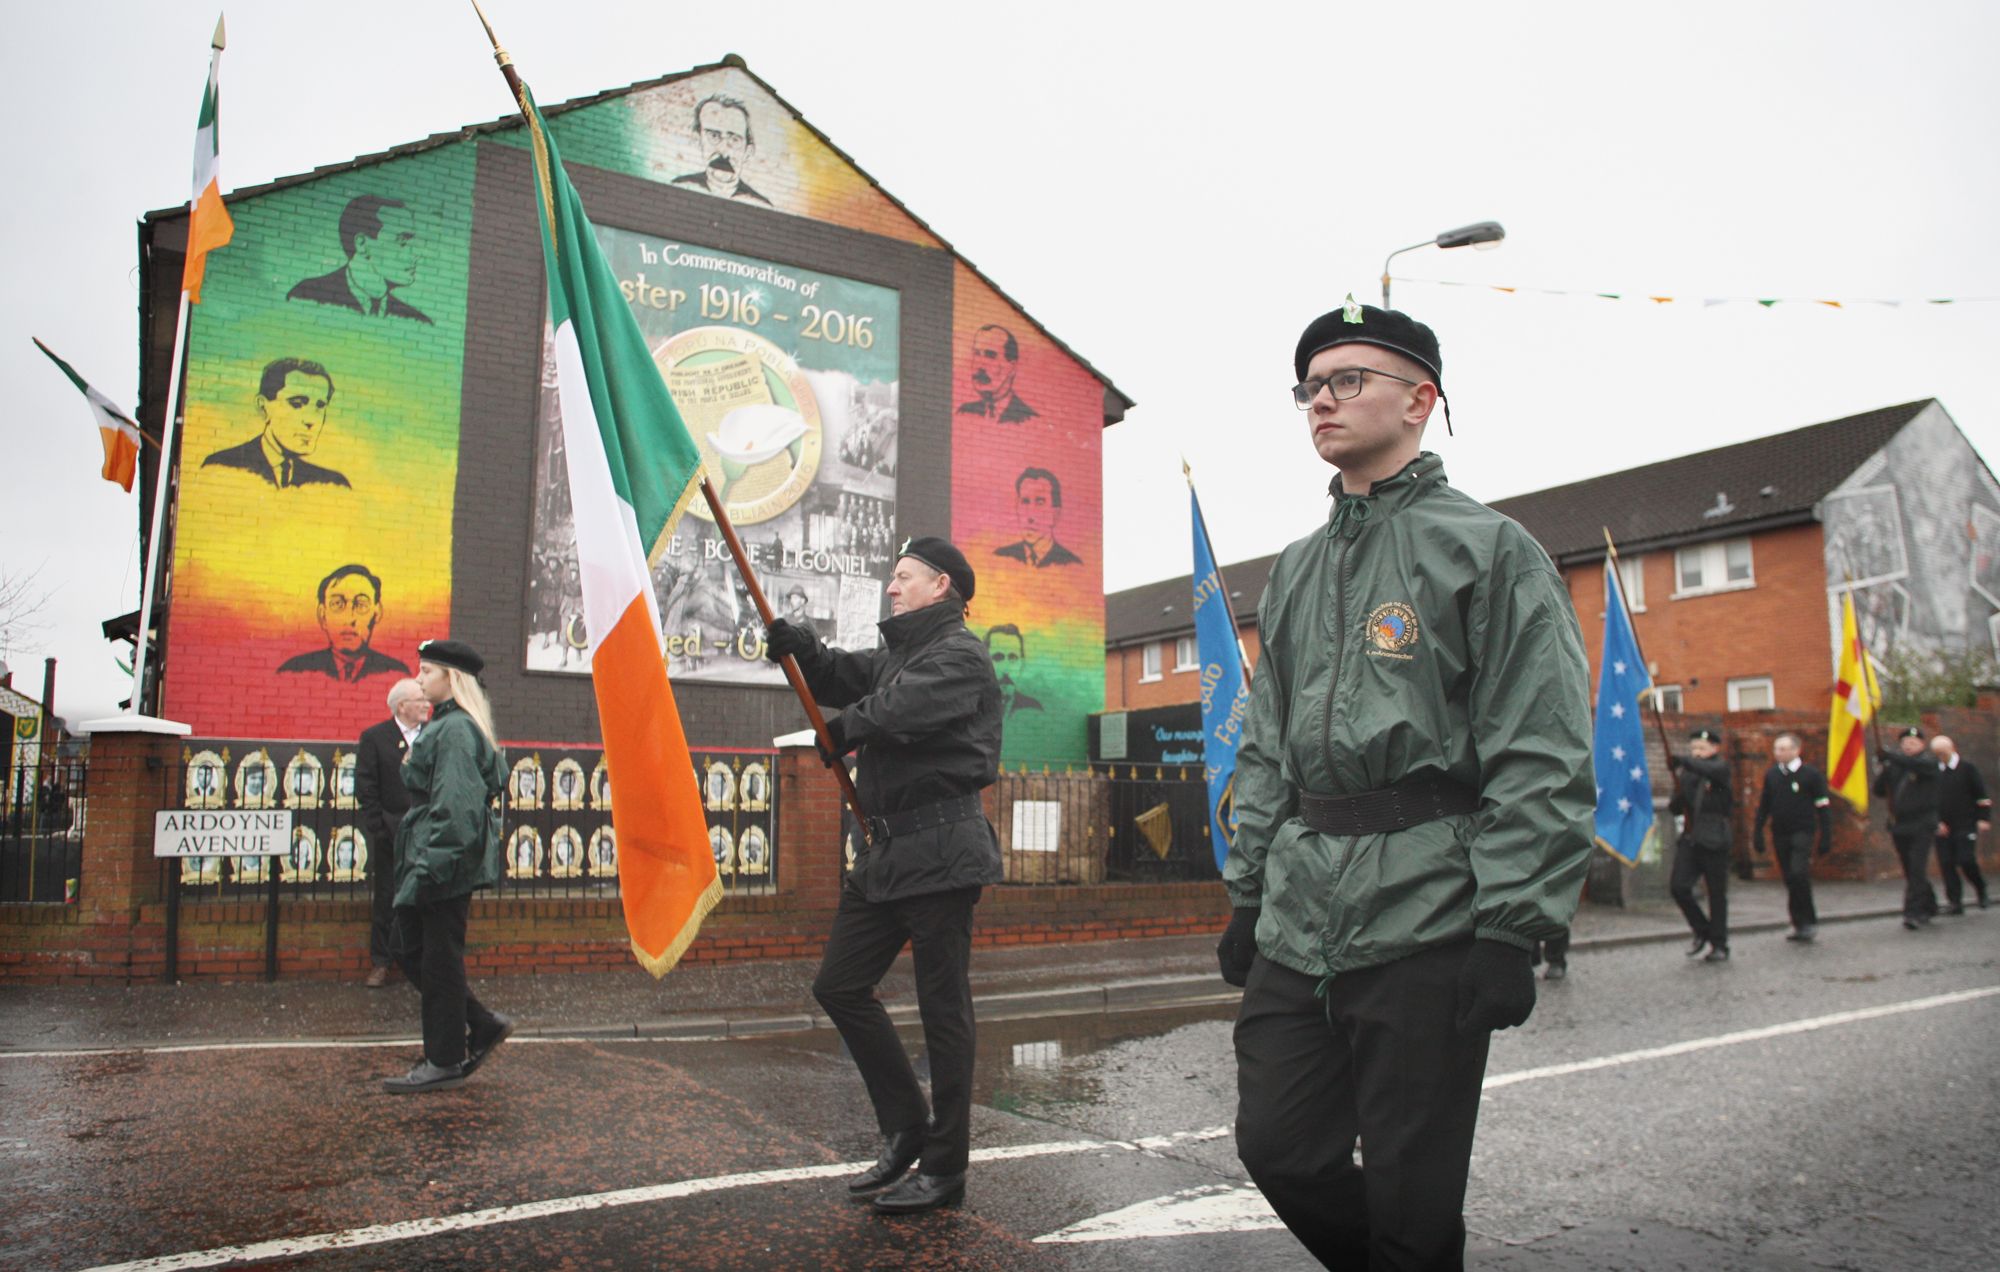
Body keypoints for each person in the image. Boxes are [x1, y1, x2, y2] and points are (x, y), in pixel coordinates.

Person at [1215, 303, 1593, 1269]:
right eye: (1310, 387)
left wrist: (1513, 924)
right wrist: (1248, 891)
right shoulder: (1296, 570)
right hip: (1301, 910)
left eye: (1349, 380)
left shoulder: (1491, 550)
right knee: (1278, 1148)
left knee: (1413, 1194)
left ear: (1421, 400)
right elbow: (1266, 745)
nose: (1321, 402)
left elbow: (1541, 748)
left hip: (1432, 911)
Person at [763, 536, 1003, 1215]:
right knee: (838, 985)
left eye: (904, 578)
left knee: (943, 1013)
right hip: (886, 855)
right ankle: (906, 1127)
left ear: (944, 587)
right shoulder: (900, 655)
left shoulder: (959, 654)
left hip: (942, 851)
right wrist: (801, 649)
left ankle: (946, 1168)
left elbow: (905, 709)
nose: (891, 588)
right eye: (892, 578)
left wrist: (846, 729)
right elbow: (843, 674)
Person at [383, 639, 512, 1094]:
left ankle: (444, 1059)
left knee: (437, 958)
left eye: (425, 672)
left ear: (450, 678)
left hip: (441, 863)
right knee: (412, 947)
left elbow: (455, 811)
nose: (419, 680)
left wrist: (429, 869)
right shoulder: (449, 725)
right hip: (436, 859)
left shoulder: (456, 730)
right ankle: (478, 1025)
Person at [356, 678, 430, 988]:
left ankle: (423, 963)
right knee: (387, 897)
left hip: (427, 832)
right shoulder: (375, 737)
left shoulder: (435, 735)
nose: (427, 703)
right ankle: (382, 962)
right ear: (402, 706)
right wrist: (378, 826)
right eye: (419, 699)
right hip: (391, 833)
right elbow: (366, 784)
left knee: (426, 898)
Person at [202, 358, 349, 489]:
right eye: (296, 404)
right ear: (263, 407)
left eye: (320, 406)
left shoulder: (332, 484)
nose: (310, 420)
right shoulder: (221, 466)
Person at [287, 195, 432, 322]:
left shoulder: (414, 321)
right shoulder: (307, 296)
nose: (416, 254)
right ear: (362, 243)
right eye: (402, 241)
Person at [1753, 731, 1833, 941]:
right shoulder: (1772, 775)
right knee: (1789, 877)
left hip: (1803, 831)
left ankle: (1808, 920)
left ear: (1796, 750)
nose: (1777, 753)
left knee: (1799, 873)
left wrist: (1826, 835)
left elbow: (1823, 806)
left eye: (1782, 748)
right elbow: (1764, 806)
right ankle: (1797, 921)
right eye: (1776, 749)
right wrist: (1758, 832)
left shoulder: (1811, 775)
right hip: (1780, 832)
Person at [278, 564, 411, 682]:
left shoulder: (397, 675)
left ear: (377, 613)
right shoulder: (295, 672)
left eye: (361, 605)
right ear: (322, 615)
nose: (349, 618)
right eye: (337, 604)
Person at [1669, 728, 1735, 962]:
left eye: (1702, 748)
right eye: (1694, 748)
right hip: (1691, 838)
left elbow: (1710, 770)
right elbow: (1677, 805)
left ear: (1715, 749)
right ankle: (1702, 929)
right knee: (1679, 887)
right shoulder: (1689, 773)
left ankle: (1719, 943)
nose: (1697, 753)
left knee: (1716, 894)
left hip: (1714, 837)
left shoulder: (1719, 769)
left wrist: (1684, 762)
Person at [1874, 726, 1941, 929]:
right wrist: (1883, 768)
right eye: (1905, 743)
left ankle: (1913, 912)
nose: (1908, 746)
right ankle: (1929, 903)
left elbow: (1914, 764)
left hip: (1922, 824)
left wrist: (1891, 756)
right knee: (1909, 868)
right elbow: (1879, 791)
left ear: (1922, 744)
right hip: (1900, 825)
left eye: (1913, 743)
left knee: (1917, 867)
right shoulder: (1895, 765)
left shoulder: (1928, 763)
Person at [672, 95, 774, 205]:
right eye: (714, 136)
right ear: (697, 141)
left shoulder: (759, 204)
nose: (724, 151)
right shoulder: (680, 187)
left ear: (747, 153)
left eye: (734, 140)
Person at [1930, 734, 1991, 913]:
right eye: (1937, 753)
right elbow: (1928, 800)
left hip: (1966, 823)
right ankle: (1955, 902)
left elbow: (1981, 795)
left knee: (1966, 860)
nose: (1941, 756)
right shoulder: (1934, 771)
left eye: (1943, 752)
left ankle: (1981, 888)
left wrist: (1983, 818)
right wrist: (1936, 821)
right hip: (1942, 826)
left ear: (1952, 748)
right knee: (1947, 864)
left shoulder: (1968, 768)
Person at [992, 468, 1082, 568]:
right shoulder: (1000, 558)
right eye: (1025, 501)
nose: (1030, 517)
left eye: (1040, 503)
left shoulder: (1071, 564)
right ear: (1017, 507)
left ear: (1055, 514)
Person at [955, 325, 1037, 422]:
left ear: (1011, 367)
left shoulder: (1028, 418)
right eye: (976, 353)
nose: (980, 365)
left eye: (990, 355)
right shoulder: (964, 412)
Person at [983, 624, 1044, 716]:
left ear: (1022, 665)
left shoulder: (1032, 710)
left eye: (1013, 658)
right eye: (998, 657)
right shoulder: (970, 707)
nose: (1006, 669)